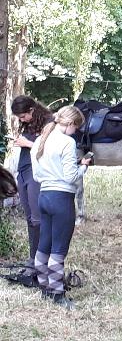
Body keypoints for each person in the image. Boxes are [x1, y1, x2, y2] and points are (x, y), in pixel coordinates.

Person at [31, 105, 92, 308]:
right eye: (76, 127)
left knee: (44, 245)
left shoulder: (40, 140)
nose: (76, 132)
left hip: (44, 196)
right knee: (58, 249)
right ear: (70, 123)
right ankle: (58, 294)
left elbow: (37, 175)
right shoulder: (67, 142)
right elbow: (70, 177)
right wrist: (83, 166)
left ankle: (44, 288)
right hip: (61, 199)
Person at [9, 95, 56, 283]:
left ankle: (42, 260)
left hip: (36, 172)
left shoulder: (49, 122)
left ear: (31, 110)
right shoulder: (30, 123)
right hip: (23, 169)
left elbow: (50, 148)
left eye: (22, 116)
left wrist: (27, 143)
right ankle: (33, 258)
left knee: (38, 218)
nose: (21, 120)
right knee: (29, 217)